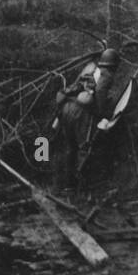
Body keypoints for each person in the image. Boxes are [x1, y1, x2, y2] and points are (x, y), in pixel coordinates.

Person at [54, 47, 120, 191]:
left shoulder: (90, 69)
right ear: (114, 65)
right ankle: (83, 187)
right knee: (85, 148)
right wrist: (102, 115)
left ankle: (68, 185)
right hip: (80, 112)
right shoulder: (106, 74)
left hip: (67, 107)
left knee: (71, 148)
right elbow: (101, 93)